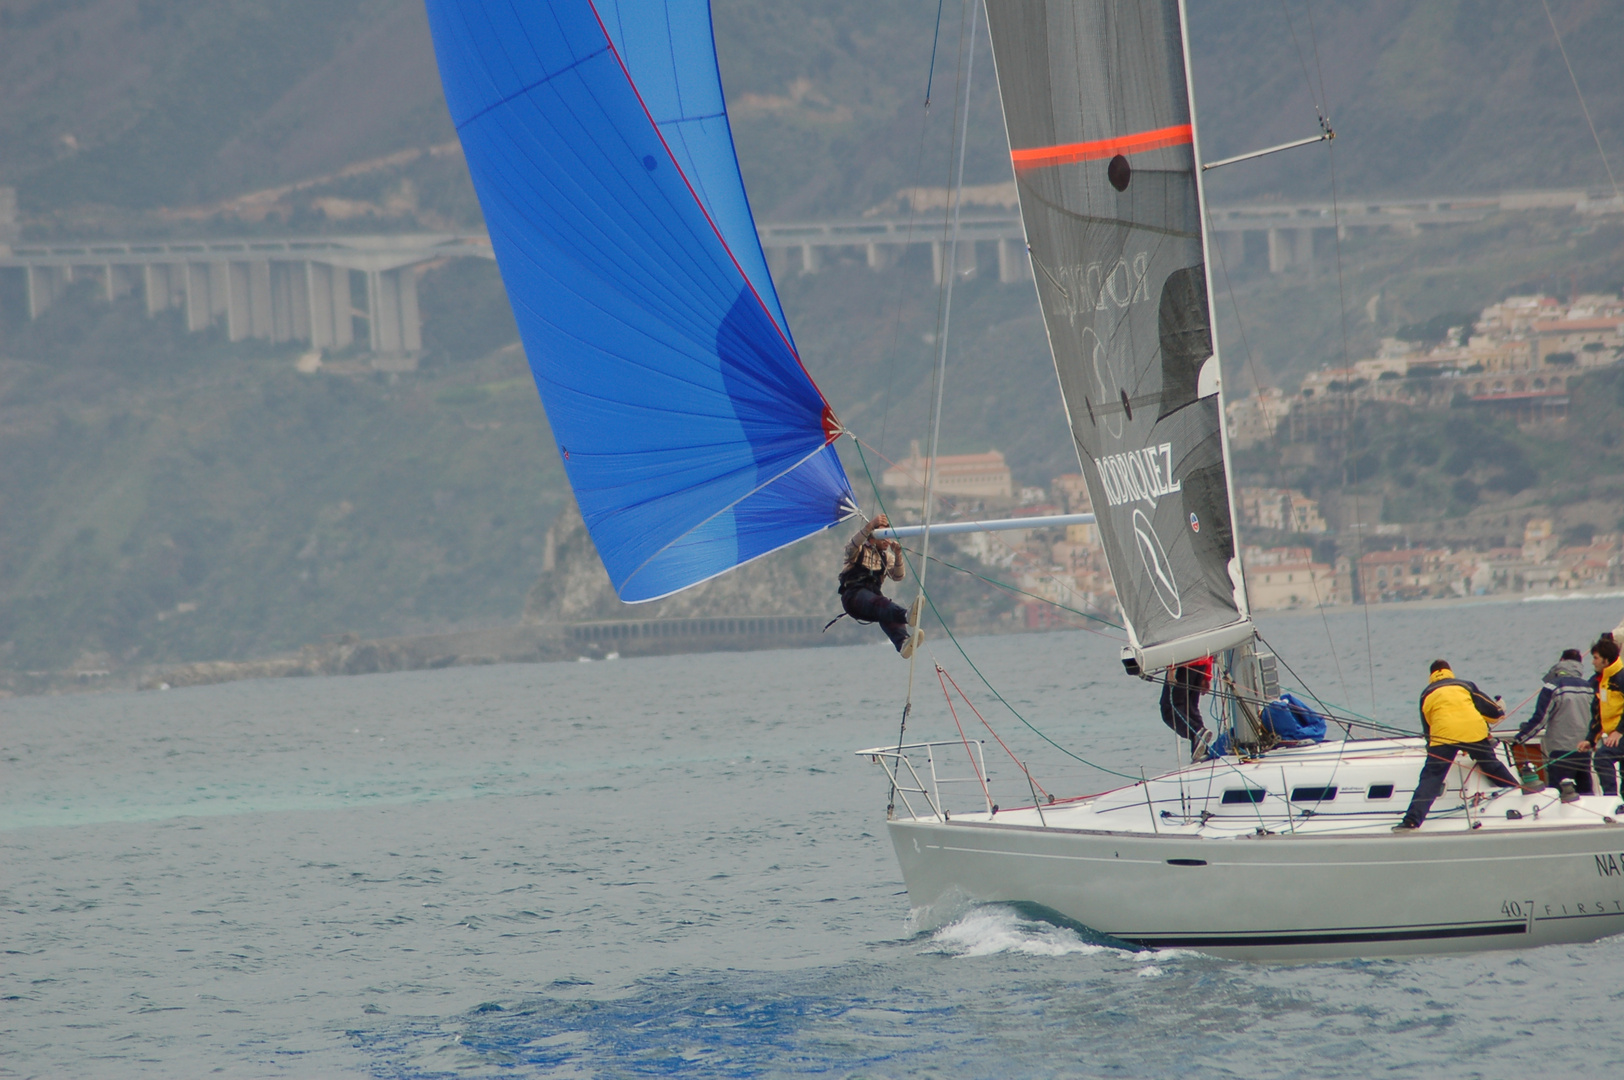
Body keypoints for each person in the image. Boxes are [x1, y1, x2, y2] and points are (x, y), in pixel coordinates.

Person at [1394, 659, 1534, 832]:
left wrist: (1433, 749)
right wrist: (1500, 709)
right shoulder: (1465, 685)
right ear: (1450, 671)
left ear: (1431, 675)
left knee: (1431, 778)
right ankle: (1522, 797)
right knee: (1491, 765)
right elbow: (1493, 712)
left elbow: (1428, 727)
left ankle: (1411, 821)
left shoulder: (1426, 693)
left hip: (1442, 736)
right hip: (1473, 732)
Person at [838, 514, 923, 658]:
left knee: (885, 610)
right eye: (883, 536)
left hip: (872, 601)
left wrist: (898, 555)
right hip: (853, 597)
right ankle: (905, 615)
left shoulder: (886, 557)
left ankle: (901, 642)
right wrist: (870, 525)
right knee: (881, 603)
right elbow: (852, 545)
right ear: (872, 538)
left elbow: (898, 576)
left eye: (888, 536)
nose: (887, 540)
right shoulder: (858, 551)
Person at [1515, 648, 1595, 796]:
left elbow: (1540, 719)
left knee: (1558, 794)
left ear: (1561, 662)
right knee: (1585, 793)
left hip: (1560, 751)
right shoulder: (1589, 687)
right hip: (1584, 750)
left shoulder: (1552, 687)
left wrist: (1520, 738)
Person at [1580, 637, 1624, 797]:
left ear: (1606, 660)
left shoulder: (1621, 677)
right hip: (1616, 734)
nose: (1593, 662)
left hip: (1620, 733)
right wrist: (1591, 739)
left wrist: (1619, 731)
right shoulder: (1600, 681)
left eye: (1596, 658)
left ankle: (1610, 798)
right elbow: (1598, 714)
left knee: (1602, 757)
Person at [1160, 656, 1214, 762]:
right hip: (1202, 660)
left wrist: (1172, 666)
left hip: (1183, 661)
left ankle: (1197, 732)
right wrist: (1207, 675)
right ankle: (1202, 750)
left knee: (1169, 708)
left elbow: (1174, 639)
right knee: (1190, 709)